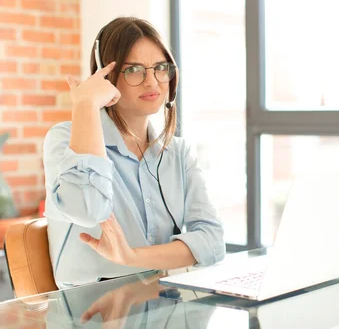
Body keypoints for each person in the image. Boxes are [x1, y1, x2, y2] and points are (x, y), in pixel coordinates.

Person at [43, 17, 225, 289]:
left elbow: (212, 242)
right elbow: (89, 209)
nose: (152, 81)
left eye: (160, 68)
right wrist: (85, 106)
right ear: (105, 76)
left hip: (160, 305)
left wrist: (131, 257)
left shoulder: (178, 152)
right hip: (89, 315)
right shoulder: (65, 139)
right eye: (134, 70)